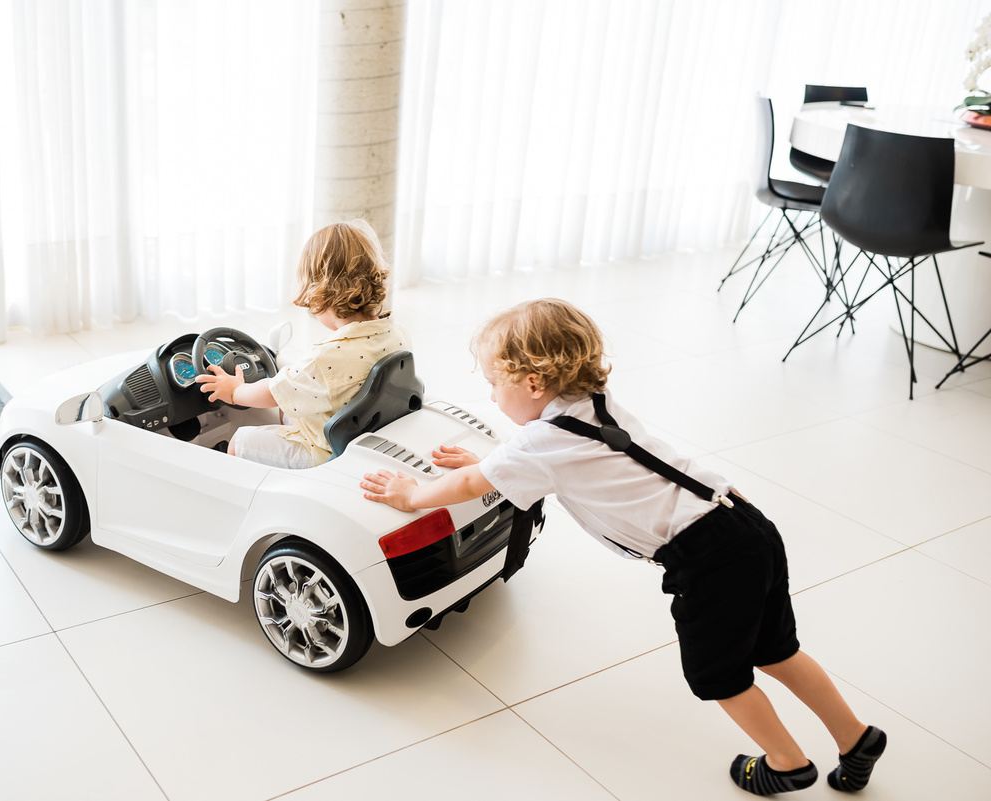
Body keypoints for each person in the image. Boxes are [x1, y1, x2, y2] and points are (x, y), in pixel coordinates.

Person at [360, 298, 885, 796]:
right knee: (777, 650)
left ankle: (787, 764)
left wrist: (412, 495)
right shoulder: (594, 403)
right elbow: (558, 457)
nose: (492, 396)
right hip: (744, 522)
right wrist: (495, 464)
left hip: (708, 559)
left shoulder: (539, 444)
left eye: (494, 383)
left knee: (718, 675)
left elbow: (476, 483)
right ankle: (856, 738)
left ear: (533, 382)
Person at [196, 219, 409, 469]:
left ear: (320, 292)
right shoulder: (397, 333)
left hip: (324, 451)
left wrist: (234, 391)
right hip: (361, 432)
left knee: (239, 441)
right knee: (287, 410)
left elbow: (273, 392)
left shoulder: (326, 358)